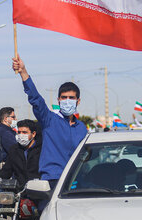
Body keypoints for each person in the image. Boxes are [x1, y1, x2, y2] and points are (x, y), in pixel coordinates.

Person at [12, 54, 87, 205]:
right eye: (64, 97)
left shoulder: (83, 129)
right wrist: (23, 72)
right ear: (58, 100)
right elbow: (36, 99)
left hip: (75, 181)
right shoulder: (49, 120)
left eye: (71, 98)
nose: (67, 101)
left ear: (78, 101)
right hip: (52, 181)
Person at [0, 119, 42, 191]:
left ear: (33, 134)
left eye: (25, 132)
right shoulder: (14, 149)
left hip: (38, 190)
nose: (21, 135)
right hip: (20, 191)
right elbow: (7, 169)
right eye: (19, 132)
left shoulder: (42, 149)